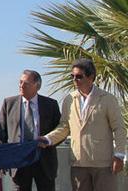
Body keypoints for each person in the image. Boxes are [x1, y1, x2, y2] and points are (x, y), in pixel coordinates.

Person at [41, 58, 126, 191]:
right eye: (72, 76)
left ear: (91, 77)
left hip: (103, 165)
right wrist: (47, 139)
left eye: (79, 76)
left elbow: (119, 128)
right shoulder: (69, 99)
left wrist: (119, 155)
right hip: (78, 163)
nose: (75, 79)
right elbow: (64, 127)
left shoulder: (107, 99)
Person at [0, 69, 61, 191]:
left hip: (44, 160)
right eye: (20, 82)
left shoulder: (50, 105)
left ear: (37, 86)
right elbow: (1, 131)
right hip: (19, 160)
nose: (21, 86)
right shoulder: (9, 103)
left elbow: (59, 131)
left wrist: (48, 141)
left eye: (25, 83)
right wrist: (3, 157)